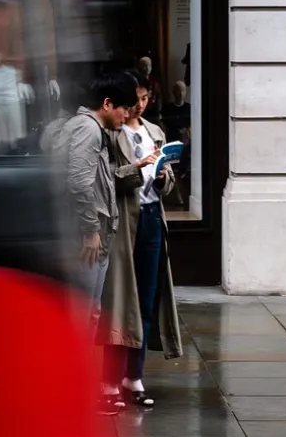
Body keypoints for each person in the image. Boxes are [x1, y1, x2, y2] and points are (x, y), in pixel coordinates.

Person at [47, 70, 141, 414]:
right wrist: (90, 230)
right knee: (82, 316)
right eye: (124, 109)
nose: (127, 116)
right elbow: (79, 183)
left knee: (88, 315)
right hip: (87, 238)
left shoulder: (86, 128)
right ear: (107, 103)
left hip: (91, 235)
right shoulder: (88, 129)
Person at [103, 74, 184, 408]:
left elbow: (167, 185)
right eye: (135, 99)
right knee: (120, 301)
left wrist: (164, 176)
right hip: (125, 221)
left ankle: (133, 376)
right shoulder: (110, 131)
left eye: (145, 98)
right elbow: (106, 180)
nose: (139, 105)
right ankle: (109, 379)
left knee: (147, 299)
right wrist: (137, 168)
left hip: (152, 218)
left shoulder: (155, 132)